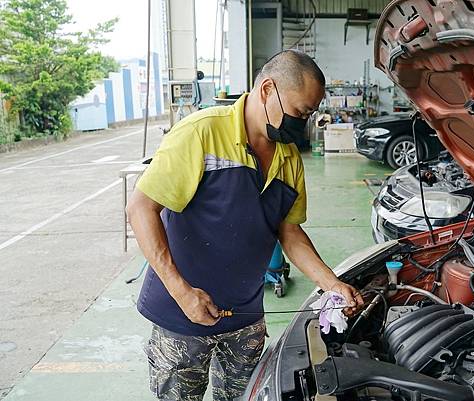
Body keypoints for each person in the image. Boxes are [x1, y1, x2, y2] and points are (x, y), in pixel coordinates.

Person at [126, 50, 364, 401]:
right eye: (300, 112)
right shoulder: (201, 134)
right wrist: (181, 292)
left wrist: (331, 284)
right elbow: (141, 208)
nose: (303, 123)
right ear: (268, 89)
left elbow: (290, 231)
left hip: (246, 317)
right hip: (181, 315)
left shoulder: (288, 157)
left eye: (310, 115)